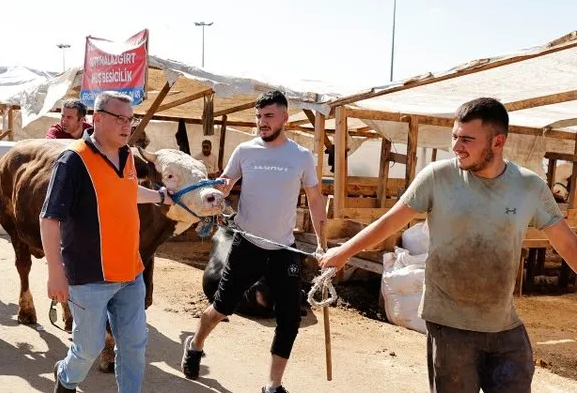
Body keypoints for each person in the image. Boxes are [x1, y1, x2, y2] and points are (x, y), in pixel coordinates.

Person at [319, 97, 577, 393]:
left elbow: (568, 244)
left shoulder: (529, 186)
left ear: (498, 142)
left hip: (504, 326)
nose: (456, 147)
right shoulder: (438, 177)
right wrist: (343, 252)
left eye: (467, 139)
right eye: (454, 137)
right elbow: (390, 223)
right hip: (450, 326)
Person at [181, 90, 328, 393]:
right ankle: (195, 345)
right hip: (246, 245)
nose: (262, 122)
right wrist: (217, 194)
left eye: (269, 116)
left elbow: (315, 199)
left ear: (285, 118)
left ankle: (273, 386)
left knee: (289, 321)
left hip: (284, 250)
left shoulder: (301, 156)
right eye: (259, 117)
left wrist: (322, 245)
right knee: (220, 308)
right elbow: (226, 182)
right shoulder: (245, 151)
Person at [42, 91, 173, 393]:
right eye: (119, 119)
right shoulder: (73, 161)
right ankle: (65, 376)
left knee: (135, 346)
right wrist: (55, 272)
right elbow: (49, 219)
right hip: (89, 278)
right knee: (88, 349)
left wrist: (158, 197)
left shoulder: (127, 155)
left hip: (130, 273)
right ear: (97, 119)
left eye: (130, 120)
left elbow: (125, 191)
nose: (127, 126)